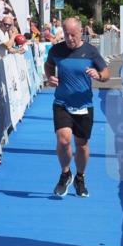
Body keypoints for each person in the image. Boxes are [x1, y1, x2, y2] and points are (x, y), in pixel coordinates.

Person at [44, 17, 110, 198]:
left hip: (84, 105)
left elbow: (106, 73)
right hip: (62, 103)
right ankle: (65, 173)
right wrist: (50, 77)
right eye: (66, 34)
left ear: (81, 32)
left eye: (73, 34)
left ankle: (80, 177)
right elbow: (48, 65)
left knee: (81, 145)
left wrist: (98, 75)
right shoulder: (57, 50)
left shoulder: (90, 51)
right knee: (63, 140)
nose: (70, 38)